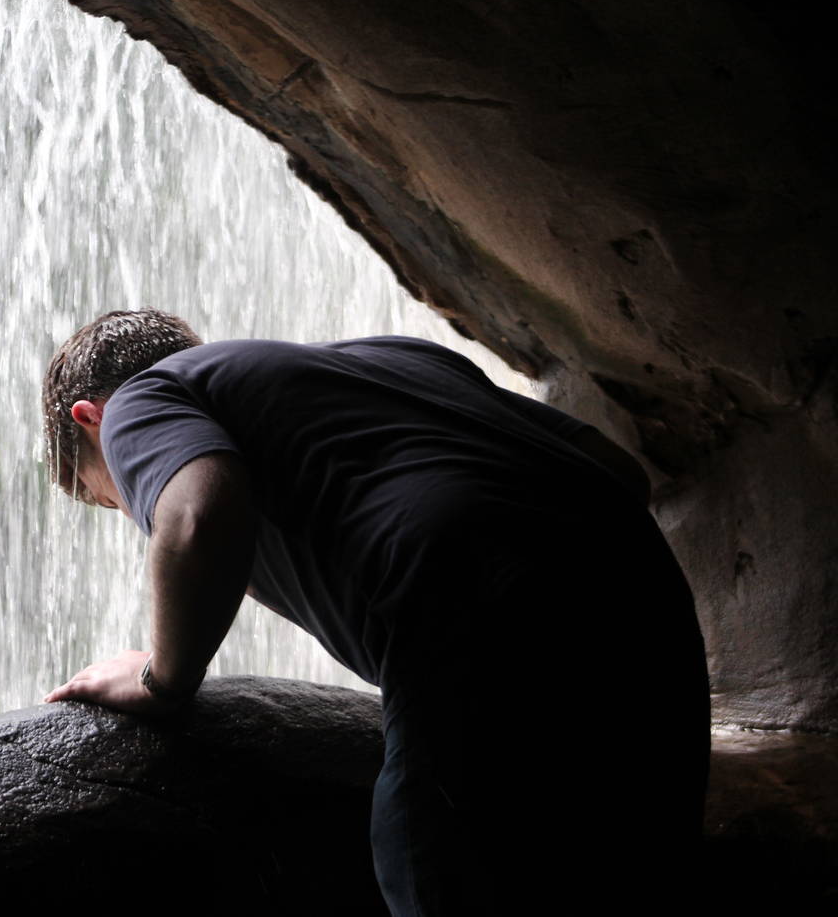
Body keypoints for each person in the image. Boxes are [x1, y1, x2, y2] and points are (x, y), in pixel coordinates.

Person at [40, 308, 707, 915]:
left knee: (426, 856)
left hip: (476, 597)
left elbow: (197, 514)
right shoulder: (392, 361)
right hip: (648, 602)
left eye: (114, 497)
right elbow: (621, 472)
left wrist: (162, 679)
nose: (138, 504)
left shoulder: (137, 402)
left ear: (88, 419)